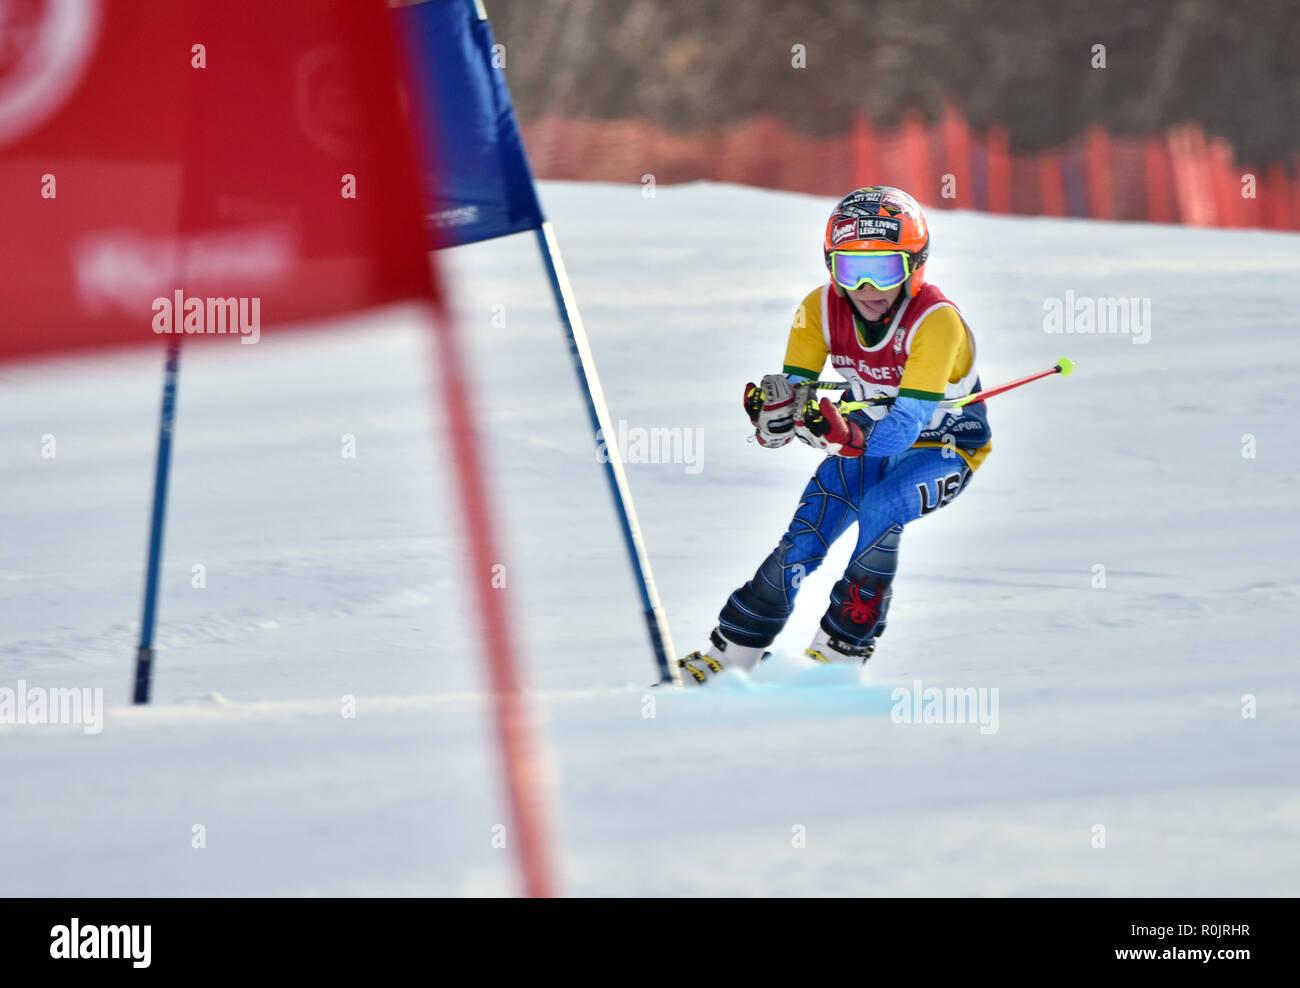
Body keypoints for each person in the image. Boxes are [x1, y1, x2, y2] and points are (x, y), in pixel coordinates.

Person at [679, 186, 993, 685]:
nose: (868, 288)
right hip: (866, 438)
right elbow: (797, 407)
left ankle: (841, 654)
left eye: (886, 270)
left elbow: (904, 428)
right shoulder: (818, 309)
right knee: (806, 534)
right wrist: (776, 421)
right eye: (851, 270)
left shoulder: (937, 322)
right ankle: (731, 654)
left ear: (916, 267)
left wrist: (843, 433)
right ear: (831, 268)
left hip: (946, 446)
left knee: (883, 508)